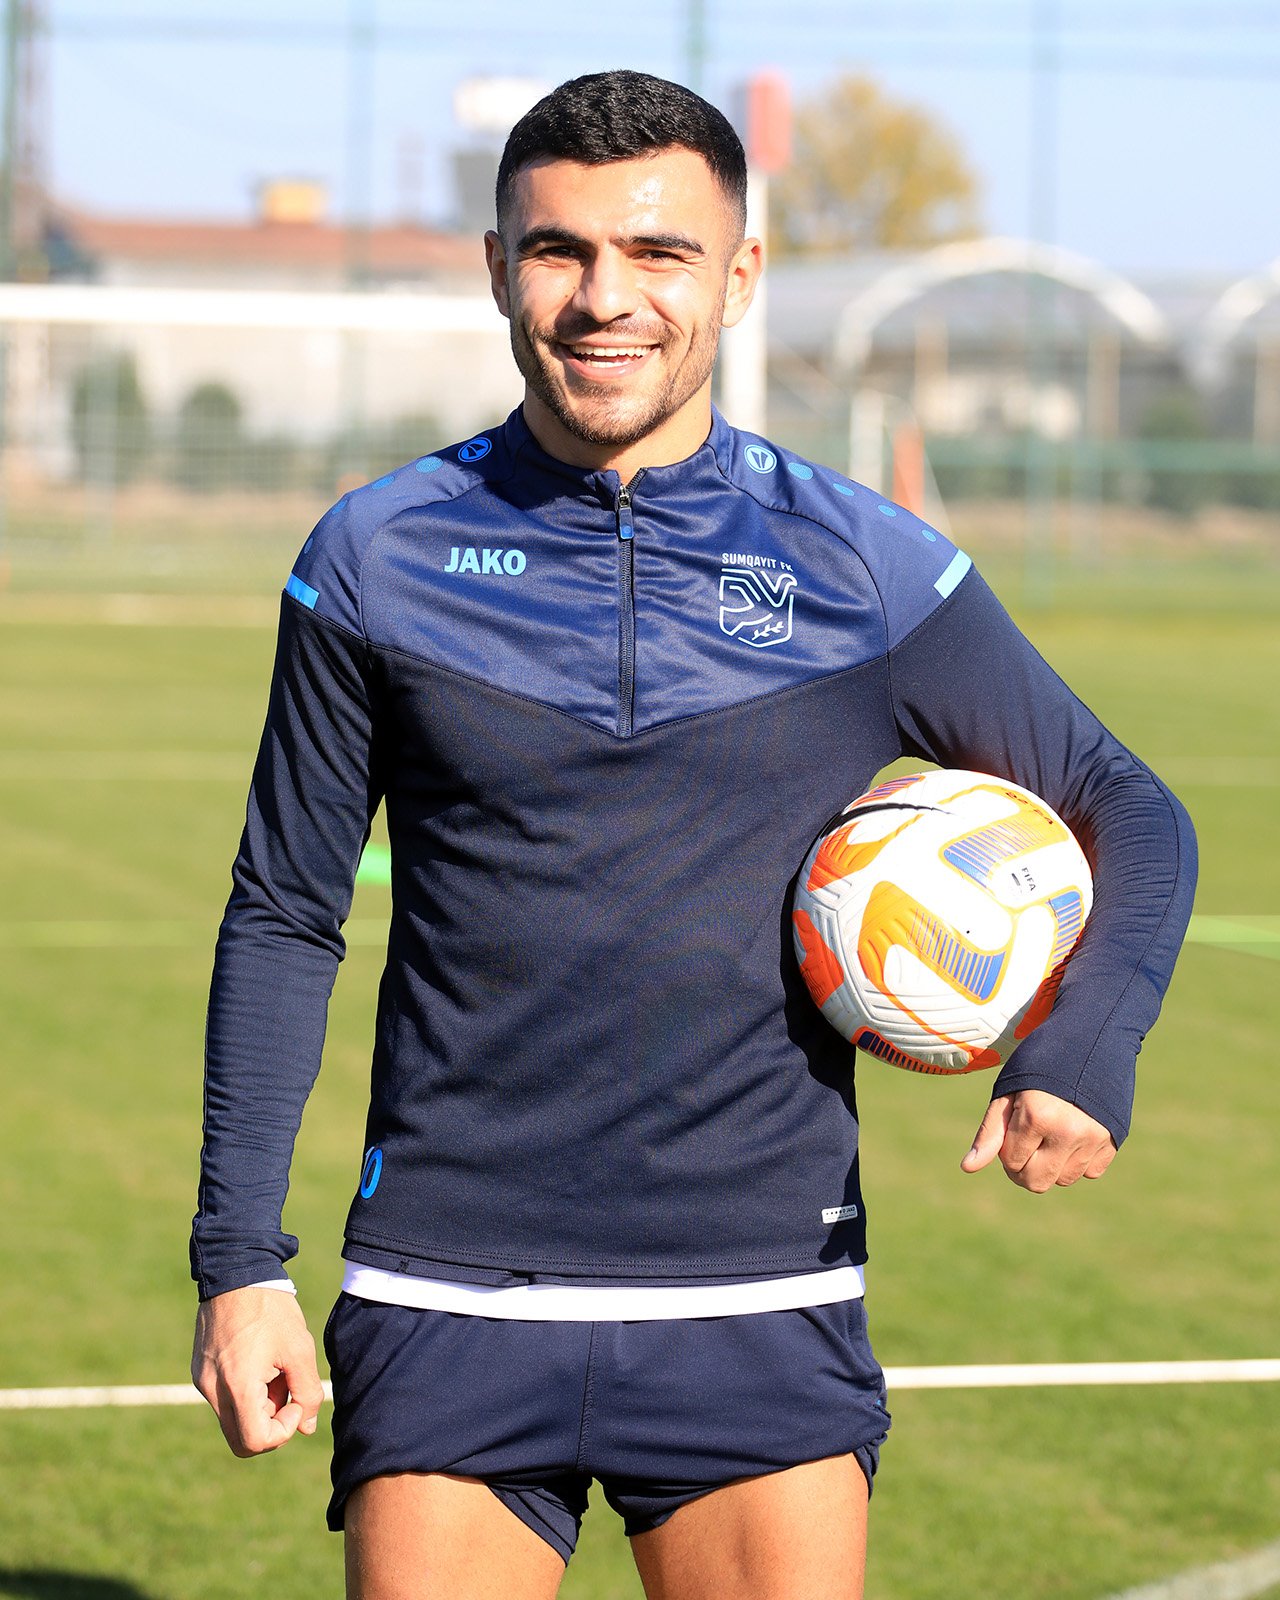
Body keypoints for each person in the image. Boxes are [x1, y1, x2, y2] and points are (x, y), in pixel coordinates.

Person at [191, 69, 1197, 1600]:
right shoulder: (376, 558)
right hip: (449, 1287)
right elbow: (283, 910)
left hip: (759, 1288)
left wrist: (1086, 1047)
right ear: (498, 268)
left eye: (659, 252)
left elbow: (1131, 807)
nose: (606, 297)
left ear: (738, 275)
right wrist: (239, 1260)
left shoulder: (865, 568)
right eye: (560, 250)